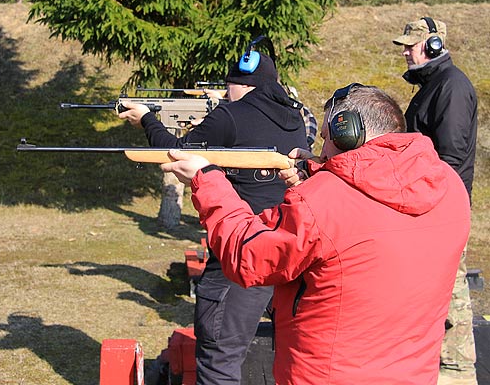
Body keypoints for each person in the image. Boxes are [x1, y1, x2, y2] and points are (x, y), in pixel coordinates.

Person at [161, 84, 471, 385]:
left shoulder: (321, 203)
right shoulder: (450, 187)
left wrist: (207, 181)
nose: (321, 149)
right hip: (415, 373)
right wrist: (322, 175)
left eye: (326, 137)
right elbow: (365, 219)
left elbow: (248, 256)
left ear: (347, 134)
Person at [119, 51, 308, 384]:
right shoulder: (294, 114)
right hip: (286, 247)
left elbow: (175, 151)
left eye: (228, 85)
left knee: (217, 360)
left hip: (241, 253)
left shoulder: (230, 116)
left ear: (239, 84)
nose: (225, 91)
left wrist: (147, 119)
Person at [393, 17, 478, 385]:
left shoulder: (451, 88)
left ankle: (457, 376)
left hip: (441, 214)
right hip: (430, 212)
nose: (405, 52)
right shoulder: (433, 86)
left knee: (451, 307)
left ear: (434, 47)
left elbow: (450, 159)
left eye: (412, 45)